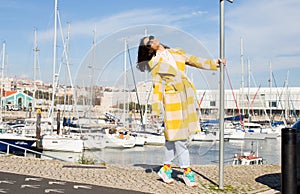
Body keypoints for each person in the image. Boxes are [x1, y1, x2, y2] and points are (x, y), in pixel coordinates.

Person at [137, 35, 224, 187]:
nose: (152, 40)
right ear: (149, 48)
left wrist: (214, 63)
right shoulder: (155, 63)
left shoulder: (177, 52)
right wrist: (155, 110)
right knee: (180, 139)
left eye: (151, 38)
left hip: (185, 96)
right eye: (148, 42)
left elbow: (195, 60)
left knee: (172, 139)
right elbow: (157, 87)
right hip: (171, 100)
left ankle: (165, 169)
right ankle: (187, 172)